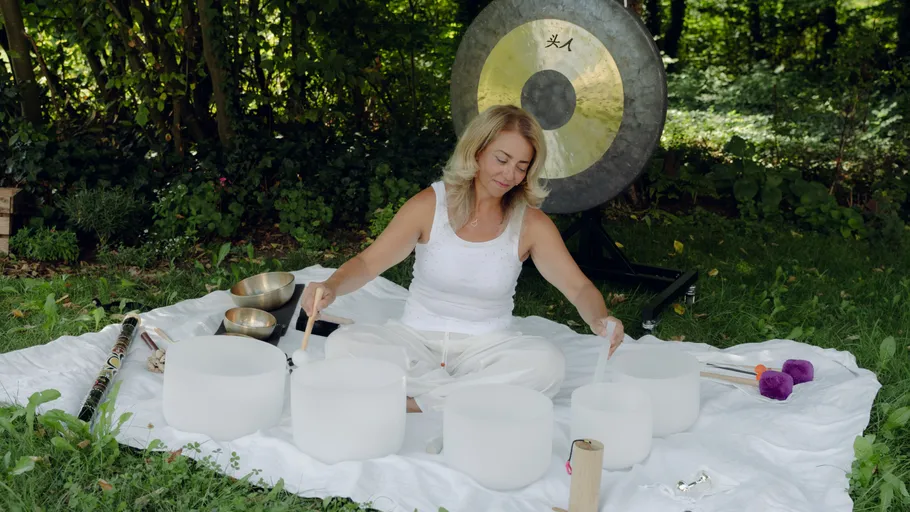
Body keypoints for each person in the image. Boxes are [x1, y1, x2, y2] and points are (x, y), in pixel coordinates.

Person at [300, 104, 625, 413]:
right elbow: (368, 263)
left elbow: (579, 288)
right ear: (478, 150)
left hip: (487, 347)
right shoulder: (430, 205)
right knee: (343, 345)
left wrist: (599, 318)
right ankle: (464, 398)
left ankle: (416, 402)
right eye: (502, 159)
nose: (510, 174)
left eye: (521, 166)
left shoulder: (531, 224)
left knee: (547, 365)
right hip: (414, 340)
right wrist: (332, 285)